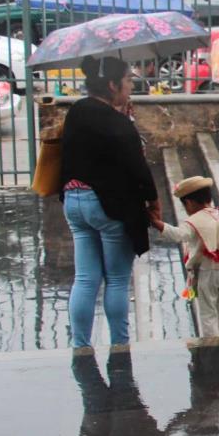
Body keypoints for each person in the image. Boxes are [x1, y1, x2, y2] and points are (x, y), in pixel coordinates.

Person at [60, 55, 160, 348]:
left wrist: (123, 119)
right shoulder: (116, 122)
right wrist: (153, 201)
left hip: (74, 202)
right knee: (117, 279)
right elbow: (137, 166)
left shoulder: (77, 111)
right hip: (109, 206)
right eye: (128, 80)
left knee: (86, 279)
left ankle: (80, 345)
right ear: (112, 84)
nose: (131, 85)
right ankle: (119, 346)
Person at [150, 176, 219, 338]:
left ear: (189, 203)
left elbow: (178, 235)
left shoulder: (193, 221)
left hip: (207, 273)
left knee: (208, 313)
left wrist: (158, 223)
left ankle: (212, 346)